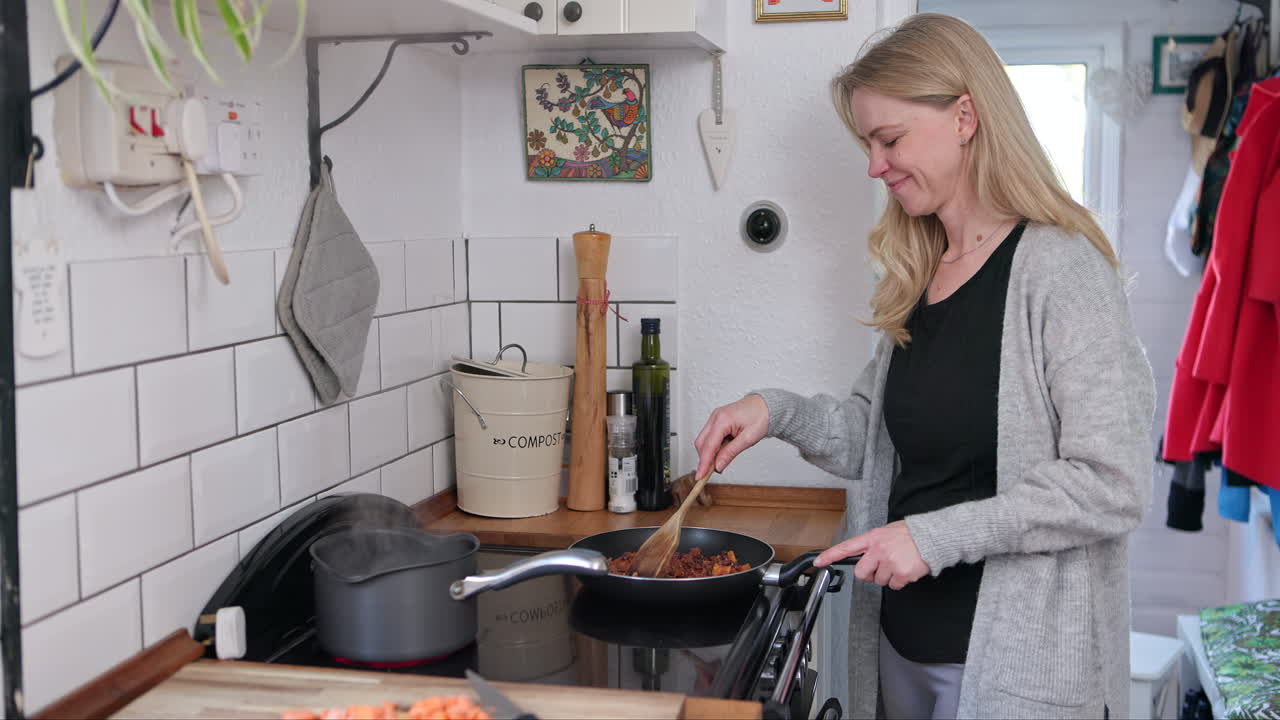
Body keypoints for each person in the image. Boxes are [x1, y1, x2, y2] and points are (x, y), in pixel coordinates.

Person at [693, 13, 1155, 720]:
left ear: (965, 116)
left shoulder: (1061, 271)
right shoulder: (922, 269)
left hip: (1014, 674)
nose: (875, 165)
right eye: (869, 144)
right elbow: (872, 439)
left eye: (889, 139)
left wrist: (933, 539)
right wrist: (773, 410)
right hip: (902, 649)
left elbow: (1111, 483)